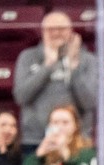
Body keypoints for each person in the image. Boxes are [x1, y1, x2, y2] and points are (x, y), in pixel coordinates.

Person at [13, 11, 98, 153]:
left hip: (77, 141)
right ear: (42, 32)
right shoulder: (28, 57)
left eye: (61, 29)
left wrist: (73, 68)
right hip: (35, 140)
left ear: (71, 31)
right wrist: (47, 66)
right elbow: (21, 96)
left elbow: (89, 101)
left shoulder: (88, 60)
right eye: (51, 29)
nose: (56, 33)